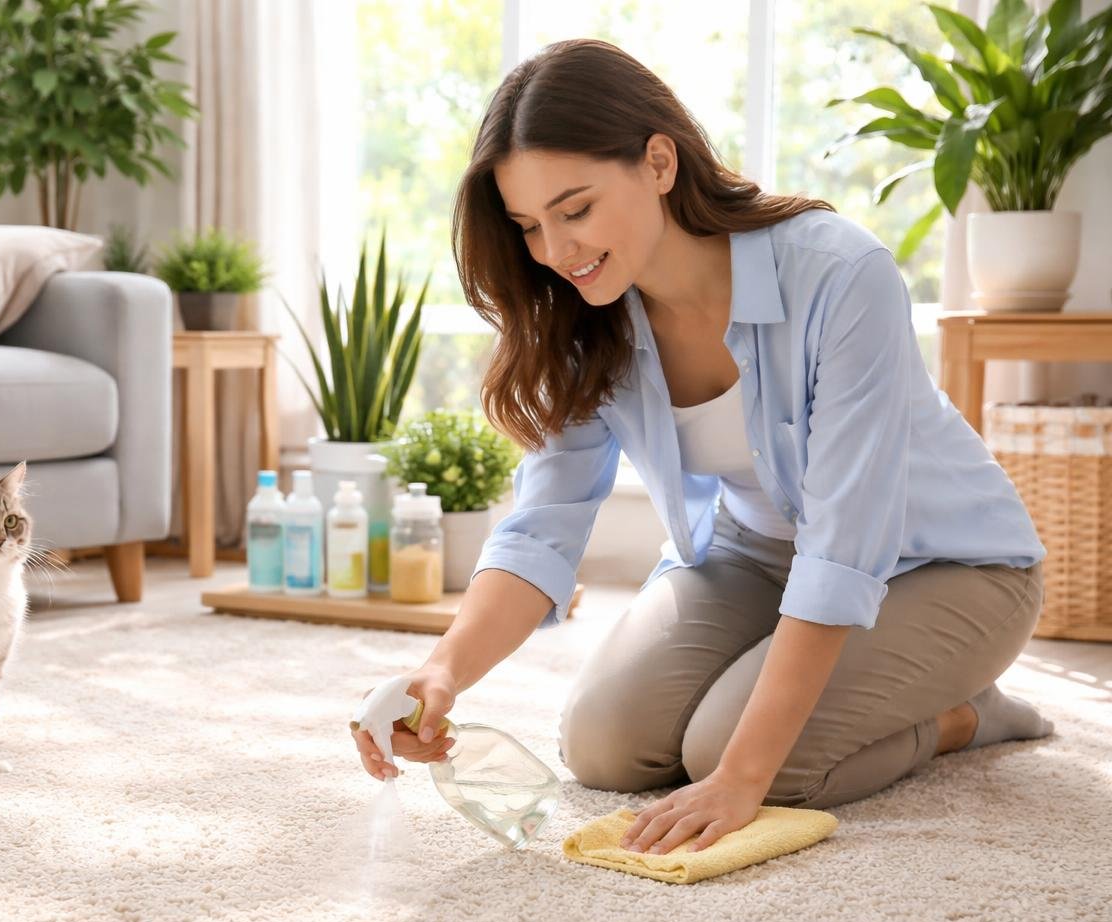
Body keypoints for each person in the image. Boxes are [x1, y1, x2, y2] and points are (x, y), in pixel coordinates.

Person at [349, 39, 1053, 856]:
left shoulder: (839, 274)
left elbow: (845, 544)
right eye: (529, 226)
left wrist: (742, 777)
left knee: (734, 758)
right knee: (605, 747)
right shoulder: (587, 319)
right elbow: (542, 529)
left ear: (658, 162)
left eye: (575, 210)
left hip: (951, 569)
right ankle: (829, 697)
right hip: (755, 556)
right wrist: (441, 675)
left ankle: (963, 714)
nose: (555, 251)